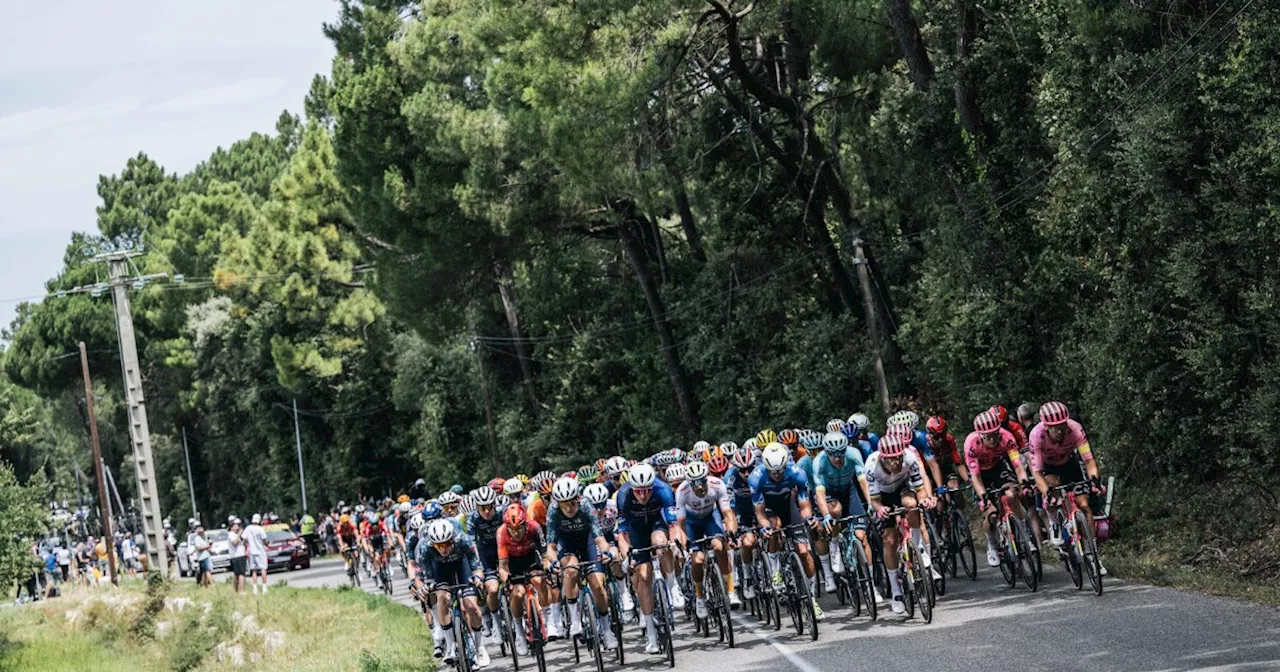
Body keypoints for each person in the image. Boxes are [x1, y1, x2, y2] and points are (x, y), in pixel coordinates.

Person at [1030, 401, 1107, 575]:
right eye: (1055, 428)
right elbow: (1036, 472)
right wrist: (1046, 491)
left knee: (1084, 505)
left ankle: (1092, 553)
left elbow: (1088, 459)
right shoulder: (1036, 435)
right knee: (1051, 489)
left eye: (1062, 426)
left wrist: (1094, 479)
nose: (1060, 431)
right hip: (1047, 467)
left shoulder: (1075, 429)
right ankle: (1055, 523)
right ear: (1046, 427)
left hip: (1068, 463)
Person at [865, 433, 938, 615]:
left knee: (912, 505)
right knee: (889, 540)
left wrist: (925, 500)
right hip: (883, 496)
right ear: (882, 458)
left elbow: (920, 488)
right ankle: (896, 594)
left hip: (903, 488)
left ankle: (917, 545)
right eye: (889, 460)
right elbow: (874, 501)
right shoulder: (871, 466)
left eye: (897, 458)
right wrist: (880, 508)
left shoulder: (910, 458)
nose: (895, 463)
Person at [750, 442, 823, 620]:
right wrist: (765, 527)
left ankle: (812, 598)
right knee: (773, 526)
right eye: (773, 472)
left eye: (780, 471)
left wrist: (809, 519)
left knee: (805, 552)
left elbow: (804, 504)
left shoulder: (797, 473)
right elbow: (759, 512)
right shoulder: (756, 478)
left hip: (788, 505)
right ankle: (776, 571)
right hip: (769, 508)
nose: (777, 475)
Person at [544, 478, 617, 651]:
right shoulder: (553, 511)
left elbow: (599, 538)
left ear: (577, 498)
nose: (569, 508)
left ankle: (607, 631)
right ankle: (574, 620)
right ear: (558, 503)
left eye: (571, 503)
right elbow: (551, 546)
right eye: (564, 505)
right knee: (571, 570)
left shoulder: (586, 506)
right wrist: (553, 561)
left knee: (598, 586)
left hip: (587, 541)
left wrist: (607, 551)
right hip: (566, 543)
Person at [615, 463, 681, 654]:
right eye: (638, 492)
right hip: (635, 531)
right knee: (643, 576)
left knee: (662, 544)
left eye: (646, 491)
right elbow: (622, 533)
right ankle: (651, 633)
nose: (643, 496)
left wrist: (675, 542)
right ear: (632, 488)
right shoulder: (624, 495)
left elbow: (673, 524)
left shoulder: (663, 489)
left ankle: (672, 584)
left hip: (655, 524)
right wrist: (626, 553)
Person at [418, 519, 490, 668]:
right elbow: (427, 575)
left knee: (471, 605)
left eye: (447, 544)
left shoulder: (463, 539)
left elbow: (476, 566)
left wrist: (477, 578)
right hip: (441, 571)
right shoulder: (425, 547)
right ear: (433, 543)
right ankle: (450, 647)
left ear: (453, 539)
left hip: (462, 567)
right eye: (439, 545)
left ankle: (479, 646)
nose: (443, 549)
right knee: (442, 598)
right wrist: (427, 586)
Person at [965, 409, 1032, 569]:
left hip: (998, 467)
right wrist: (983, 495)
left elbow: (1017, 465)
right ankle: (992, 544)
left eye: (995, 434)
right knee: (992, 513)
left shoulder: (1006, 437)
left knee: (1011, 493)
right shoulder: (971, 444)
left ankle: (1023, 533)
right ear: (980, 435)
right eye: (988, 436)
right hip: (980, 474)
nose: (993, 439)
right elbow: (975, 477)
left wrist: (1024, 481)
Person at [674, 460, 740, 618]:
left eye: (702, 481)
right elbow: (680, 525)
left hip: (711, 517)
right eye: (695, 484)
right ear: (689, 483)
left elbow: (728, 514)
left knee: (719, 547)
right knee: (697, 561)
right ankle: (699, 596)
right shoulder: (682, 491)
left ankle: (730, 590)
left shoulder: (717, 484)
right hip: (692, 523)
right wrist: (684, 544)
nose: (700, 487)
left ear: (707, 478)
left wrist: (731, 532)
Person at [497, 505, 546, 658]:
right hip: (512, 562)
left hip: (531, 558)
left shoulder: (534, 527)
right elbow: (503, 566)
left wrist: (547, 566)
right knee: (518, 594)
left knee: (539, 580)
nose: (516, 532)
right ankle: (519, 630)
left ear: (526, 524)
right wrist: (506, 578)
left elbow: (545, 555)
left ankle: (547, 615)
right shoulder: (502, 532)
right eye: (513, 529)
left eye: (519, 528)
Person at [243, 514, 269, 595]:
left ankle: (255, 589)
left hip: (251, 551)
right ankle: (264, 588)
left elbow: (243, 540)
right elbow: (264, 540)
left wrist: (248, 545)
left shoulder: (248, 528)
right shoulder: (260, 529)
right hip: (260, 551)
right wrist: (267, 544)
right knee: (263, 569)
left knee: (254, 570)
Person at [228, 518, 248, 593]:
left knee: (237, 574)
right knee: (241, 574)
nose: (237, 528)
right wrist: (239, 534)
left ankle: (236, 590)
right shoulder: (231, 534)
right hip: (237, 556)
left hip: (240, 555)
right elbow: (234, 543)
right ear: (231, 527)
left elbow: (242, 543)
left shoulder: (235, 535)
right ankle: (241, 590)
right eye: (235, 526)